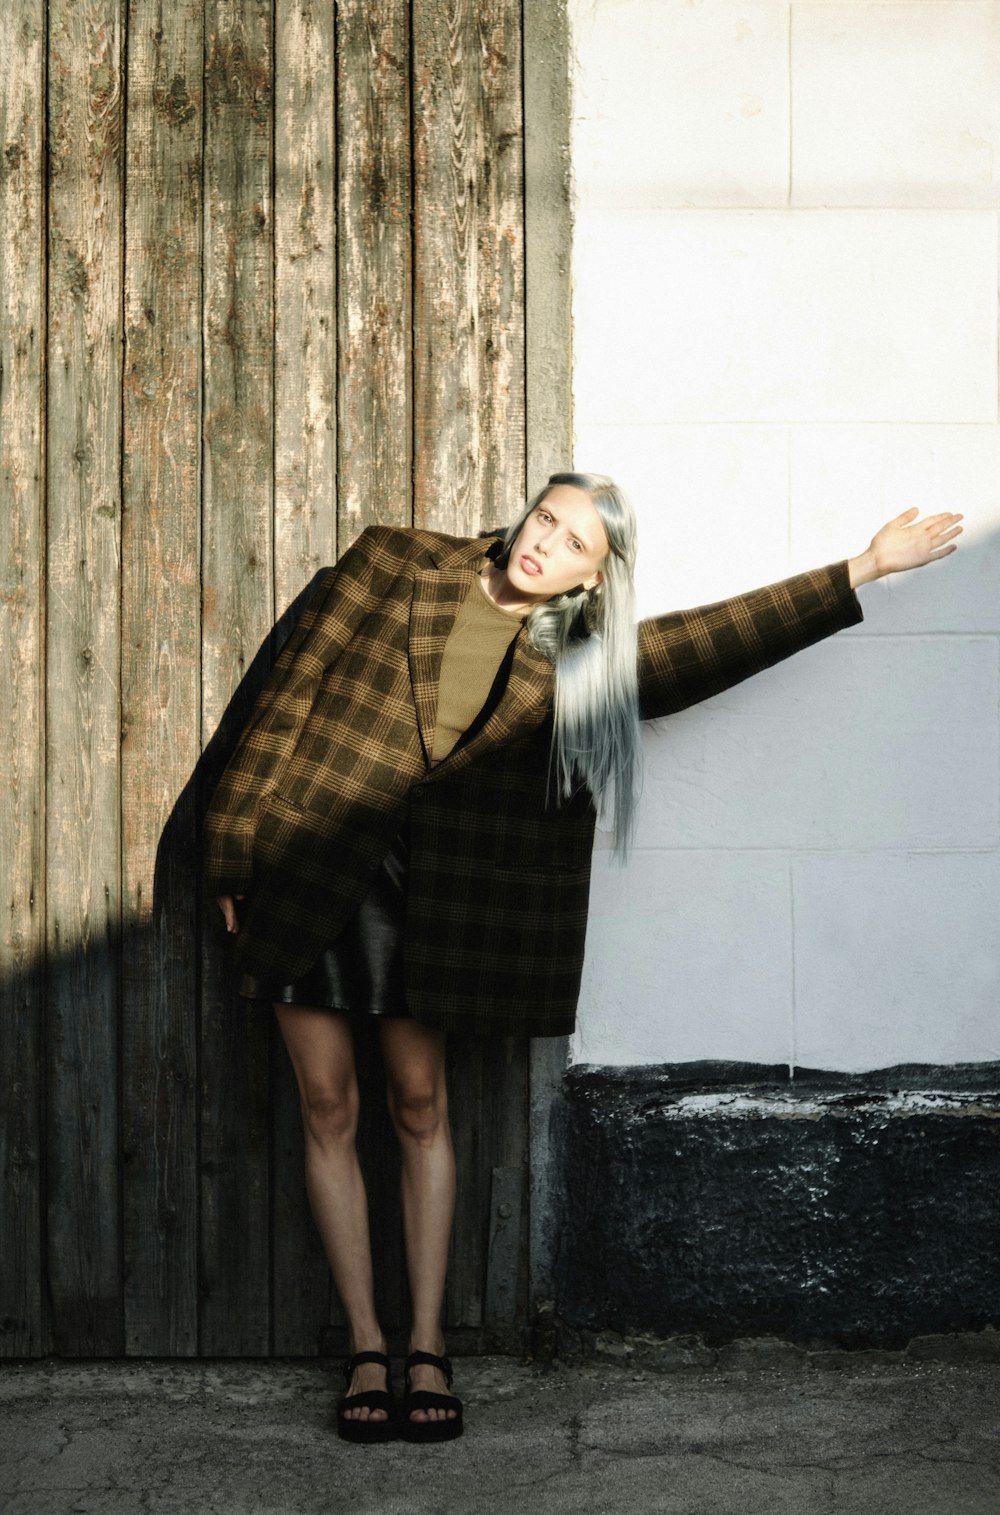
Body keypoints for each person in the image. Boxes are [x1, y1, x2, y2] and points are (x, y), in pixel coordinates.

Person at [203, 473, 962, 1443]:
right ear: (524, 513)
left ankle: (426, 1344)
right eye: (545, 521)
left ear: (591, 580)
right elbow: (284, 698)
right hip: (310, 869)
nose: (543, 546)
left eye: (573, 546)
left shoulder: (581, 656)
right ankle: (362, 1346)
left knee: (420, 1104)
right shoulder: (392, 565)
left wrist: (858, 568)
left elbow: (696, 648)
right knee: (325, 1108)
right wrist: (231, 844)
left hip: (431, 902)